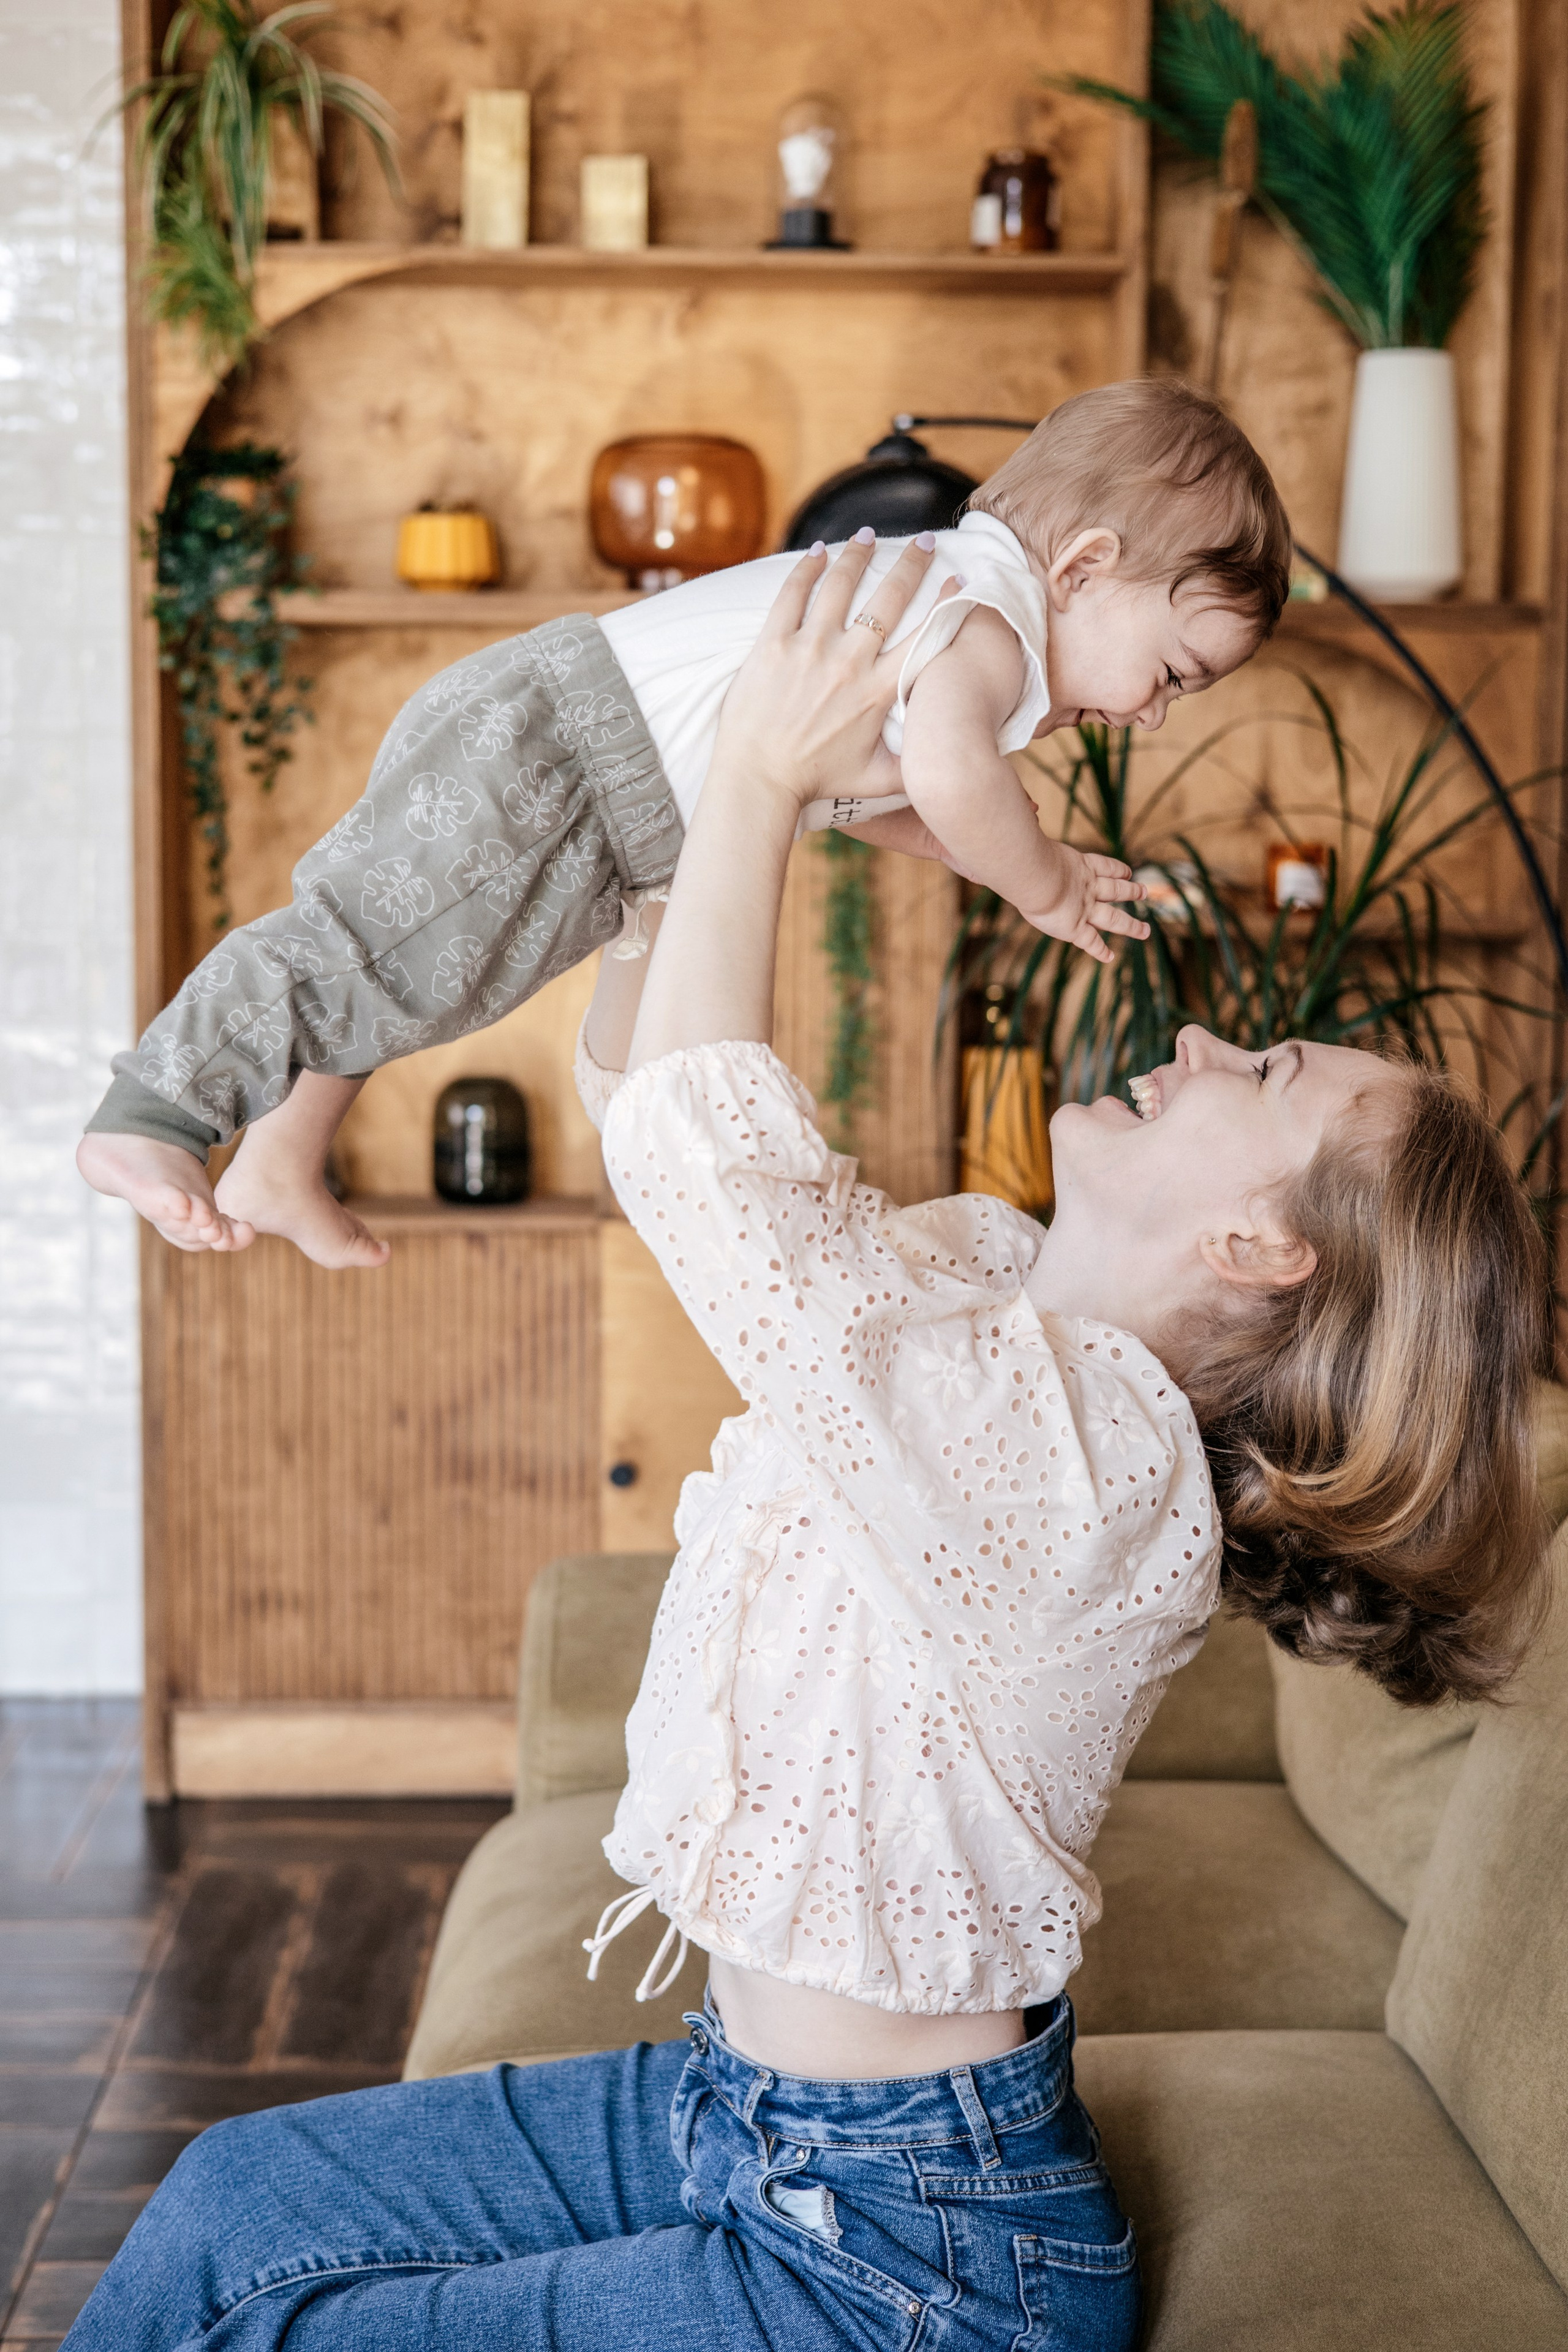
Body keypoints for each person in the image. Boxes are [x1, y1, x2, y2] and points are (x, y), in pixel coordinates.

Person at [63, 535, 1549, 2352]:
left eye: (1270, 1076)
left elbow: (725, 1189)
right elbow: (664, 1113)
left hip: (909, 2255)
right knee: (238, 2206)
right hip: (748, 2119)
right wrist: (666, 827)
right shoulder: (986, 1285)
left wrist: (764, 777)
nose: (1210, 1036)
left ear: (1264, 1249)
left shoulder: (1098, 1474)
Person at [77, 378, 1286, 1269]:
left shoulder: (962, 632)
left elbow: (881, 796)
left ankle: (284, 1154)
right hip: (561, 756)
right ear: (1080, 565)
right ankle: (154, 1114)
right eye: (1173, 673)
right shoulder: (980, 619)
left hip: (602, 800)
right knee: (363, 946)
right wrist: (1044, 887)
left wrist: (1018, 858)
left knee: (427, 970)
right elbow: (960, 787)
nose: (1154, 717)